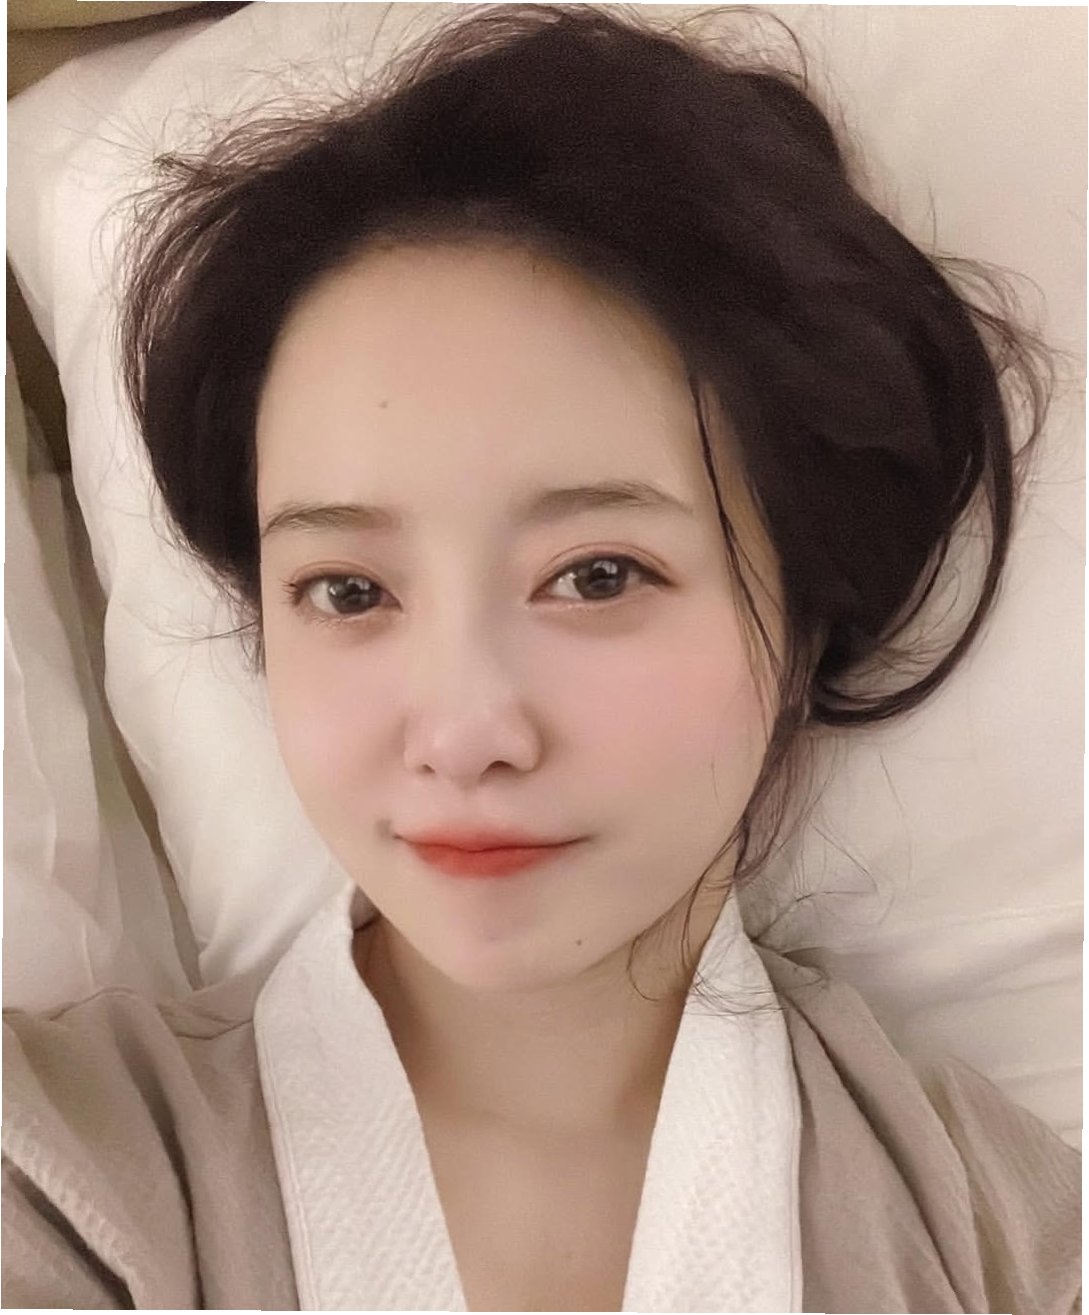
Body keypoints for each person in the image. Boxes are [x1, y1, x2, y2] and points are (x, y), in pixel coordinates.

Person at [3, 5, 1079, 1312]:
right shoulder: (55, 1173)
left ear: (802, 615)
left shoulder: (1003, 1239)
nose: (464, 735)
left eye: (597, 575)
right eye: (347, 591)